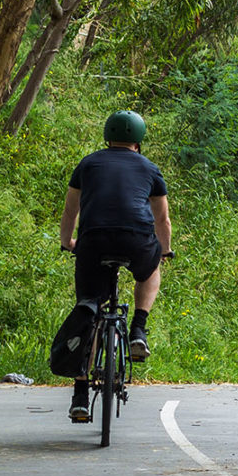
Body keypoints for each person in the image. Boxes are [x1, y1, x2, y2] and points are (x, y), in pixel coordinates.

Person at [59, 110, 172, 423]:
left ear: (107, 137)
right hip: (135, 239)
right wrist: (165, 250)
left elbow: (70, 211)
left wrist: (67, 242)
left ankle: (80, 396)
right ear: (139, 140)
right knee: (150, 270)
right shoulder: (150, 168)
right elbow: (162, 219)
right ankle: (138, 328)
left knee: (90, 310)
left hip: (93, 240)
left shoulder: (88, 163)